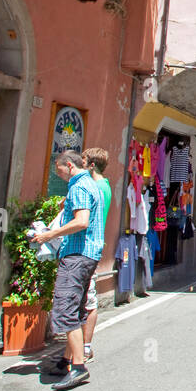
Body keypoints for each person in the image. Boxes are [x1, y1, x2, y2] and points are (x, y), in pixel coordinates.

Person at [31, 151, 104, 391]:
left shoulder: (80, 187)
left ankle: (79, 367)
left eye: (59, 170)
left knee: (65, 308)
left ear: (69, 165)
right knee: (77, 307)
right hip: (88, 254)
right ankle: (66, 359)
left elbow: (81, 221)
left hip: (77, 254)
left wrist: (49, 234)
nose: (58, 174)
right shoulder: (92, 184)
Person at [80, 146, 112, 362]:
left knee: (87, 300)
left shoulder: (96, 188)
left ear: (91, 165)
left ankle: (83, 348)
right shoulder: (105, 186)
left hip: (87, 247)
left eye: (83, 160)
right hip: (93, 246)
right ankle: (79, 348)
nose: (80, 164)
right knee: (84, 299)